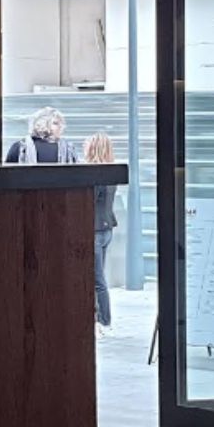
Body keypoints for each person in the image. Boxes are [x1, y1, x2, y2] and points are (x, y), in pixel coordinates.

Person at [85, 130, 118, 330]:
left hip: (95, 230)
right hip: (106, 229)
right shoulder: (111, 172)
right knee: (99, 276)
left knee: (97, 279)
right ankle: (102, 318)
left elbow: (89, 202)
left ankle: (104, 319)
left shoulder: (95, 174)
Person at [5, 106, 78, 164]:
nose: (61, 127)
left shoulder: (68, 148)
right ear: (42, 123)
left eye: (62, 124)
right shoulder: (21, 147)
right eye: (55, 123)